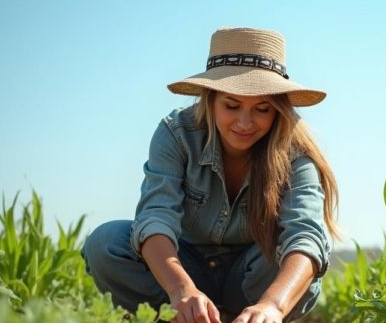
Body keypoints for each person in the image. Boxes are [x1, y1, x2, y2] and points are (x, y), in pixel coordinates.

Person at [81, 27, 338, 323]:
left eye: (262, 109)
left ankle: (249, 318)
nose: (245, 122)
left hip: (250, 278)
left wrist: (273, 306)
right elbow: (155, 218)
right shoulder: (176, 135)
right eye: (231, 105)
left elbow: (305, 236)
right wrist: (181, 290)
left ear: (278, 110)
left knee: (300, 267)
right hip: (184, 265)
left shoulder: (296, 152)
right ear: (210, 98)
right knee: (106, 243)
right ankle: (182, 315)